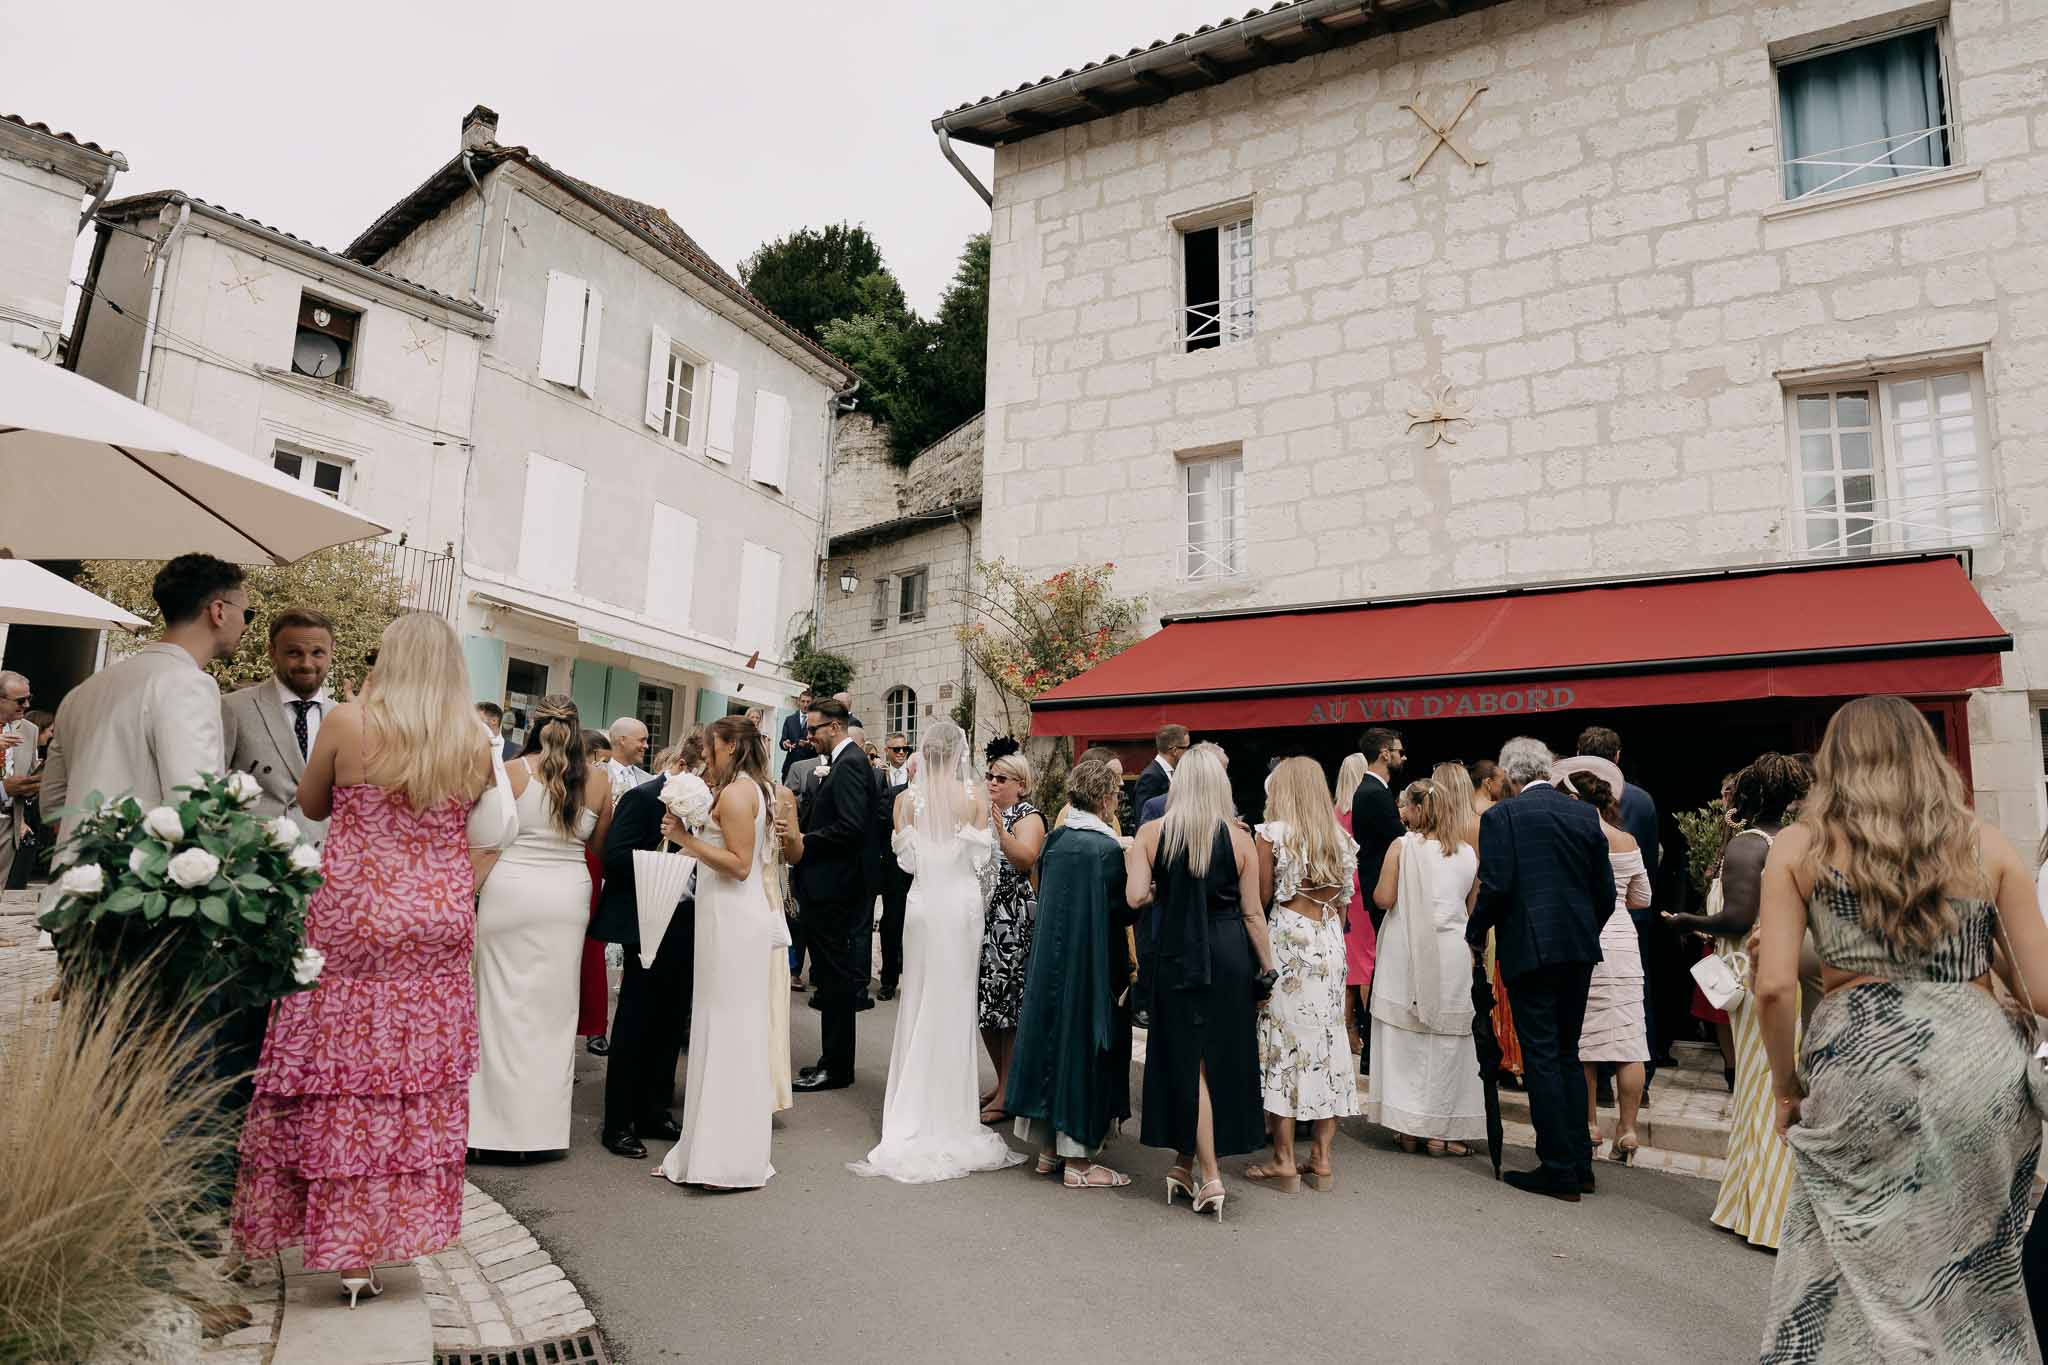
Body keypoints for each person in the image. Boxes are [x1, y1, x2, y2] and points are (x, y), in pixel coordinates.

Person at [1756, 697, 2048, 1361]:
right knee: (1975, 1268)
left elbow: (1774, 985)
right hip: (1980, 1067)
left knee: (1846, 1263)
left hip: (1859, 1063)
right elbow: (2047, 984)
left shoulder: (1800, 847)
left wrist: (1785, 1085)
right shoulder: (1987, 843)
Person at [232, 612, 508, 1307]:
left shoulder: (347, 722)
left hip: (355, 911)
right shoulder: (474, 738)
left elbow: (311, 801)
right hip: (439, 917)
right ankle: (383, 1236)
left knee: (343, 1076)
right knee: (408, 1082)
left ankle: (346, 1250)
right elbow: (485, 825)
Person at [846, 723, 1020, 1183]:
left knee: (920, 999)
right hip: (960, 907)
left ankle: (910, 1108)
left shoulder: (907, 800)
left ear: (924, 754)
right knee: (954, 1005)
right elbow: (983, 861)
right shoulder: (975, 799)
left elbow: (905, 861)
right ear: (959, 754)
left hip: (923, 905)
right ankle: (950, 1113)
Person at [1666, 754, 1812, 1249]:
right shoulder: (1794, 841)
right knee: (1769, 1085)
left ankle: (1770, 1218)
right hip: (1788, 969)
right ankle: (1750, 1205)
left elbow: (1737, 917)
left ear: (1744, 799)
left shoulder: (1751, 846)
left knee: (1760, 1088)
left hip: (1753, 973)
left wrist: (1688, 921)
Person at [1127, 743, 1278, 1221]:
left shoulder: (1152, 833)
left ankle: (1206, 1173)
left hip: (1177, 953)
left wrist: (1157, 891)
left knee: (1185, 1059)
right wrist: (1268, 969)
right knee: (1214, 1058)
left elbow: (1134, 897)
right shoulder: (1239, 840)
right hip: (1230, 953)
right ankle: (1184, 1164)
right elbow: (1254, 914)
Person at [1466, 736, 1614, 1201]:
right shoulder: (1584, 814)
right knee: (1567, 1053)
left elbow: (1495, 884)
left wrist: (1475, 934)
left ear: (1510, 776)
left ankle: (1558, 1167)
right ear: (1549, 771)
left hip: (1530, 948)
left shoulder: (1501, 816)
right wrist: (1585, 928)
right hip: (1578, 947)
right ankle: (1579, 1163)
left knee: (1543, 1056)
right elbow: (1604, 892)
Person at [468, 695, 613, 1158]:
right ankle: (541, 1133)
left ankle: (487, 1130)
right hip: (566, 899)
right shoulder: (599, 781)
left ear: (533, 725)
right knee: (553, 1012)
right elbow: (601, 849)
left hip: (510, 892)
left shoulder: (509, 772)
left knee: (496, 1007)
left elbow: (482, 836)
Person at [655, 716, 783, 1189]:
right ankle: (716, 1148)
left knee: (726, 1028)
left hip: (732, 917)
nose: (707, 755)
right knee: (726, 1027)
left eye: (712, 747)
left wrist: (684, 839)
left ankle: (723, 1157)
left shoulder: (735, 794)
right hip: (726, 917)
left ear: (730, 746)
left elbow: (739, 865)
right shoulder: (758, 789)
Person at [41, 555, 246, 847]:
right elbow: (195, 807)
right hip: (142, 880)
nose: (246, 626)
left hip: (72, 879)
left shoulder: (83, 691)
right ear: (219, 612)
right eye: (247, 615)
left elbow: (53, 806)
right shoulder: (189, 683)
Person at [1008, 756, 1139, 1187]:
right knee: (1083, 1046)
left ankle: (1049, 1150)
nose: (1118, 799)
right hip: (1091, 963)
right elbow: (1120, 909)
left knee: (1052, 1039)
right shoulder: (1104, 849)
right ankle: (1080, 1164)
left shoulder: (1058, 839)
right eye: (1116, 793)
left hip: (1052, 962)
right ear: (1103, 798)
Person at [1251, 756, 1361, 1189]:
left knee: (1285, 1045)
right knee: (1328, 1042)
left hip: (1287, 941)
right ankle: (1322, 1157)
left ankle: (1282, 1158)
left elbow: (1259, 900)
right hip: (1329, 942)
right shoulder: (1340, 839)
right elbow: (1346, 905)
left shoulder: (1272, 835)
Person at [1368, 776, 1485, 1156]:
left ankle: (1408, 1129)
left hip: (1407, 947)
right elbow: (1471, 909)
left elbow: (1384, 898)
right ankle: (1441, 1132)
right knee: (1448, 1042)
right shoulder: (1468, 854)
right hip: (1451, 950)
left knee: (1407, 1039)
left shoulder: (1402, 848)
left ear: (1418, 810)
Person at [589, 744, 696, 1157]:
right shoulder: (642, 798)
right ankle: (618, 1121)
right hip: (645, 919)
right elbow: (615, 858)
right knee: (635, 1022)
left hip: (685, 919)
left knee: (671, 1021)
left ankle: (654, 1110)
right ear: (683, 765)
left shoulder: (707, 805)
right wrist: (665, 864)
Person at [1554, 758, 1651, 1164]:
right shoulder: (1626, 840)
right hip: (1623, 943)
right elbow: (1642, 898)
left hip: (1585, 938)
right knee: (1630, 1042)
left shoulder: (1574, 835)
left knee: (1585, 1042)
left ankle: (1590, 1124)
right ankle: (1627, 1131)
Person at [786, 698, 875, 1091]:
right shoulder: (844, 762)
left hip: (836, 888)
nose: (808, 737)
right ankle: (831, 1060)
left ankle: (837, 1067)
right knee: (831, 979)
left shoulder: (852, 764)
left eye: (813, 729)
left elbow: (852, 827)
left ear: (834, 728)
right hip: (830, 884)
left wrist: (806, 840)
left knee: (836, 982)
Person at [222, 608, 336, 844]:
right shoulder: (232, 708)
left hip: (322, 863)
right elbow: (210, 788)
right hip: (252, 863)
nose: (306, 664)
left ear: (331, 653)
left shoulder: (343, 718)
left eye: (317, 653)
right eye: (294, 653)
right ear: (272, 652)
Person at [977, 750, 1045, 1123]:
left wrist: (1001, 832)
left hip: (1012, 919)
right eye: (990, 776)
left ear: (1021, 785)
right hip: (984, 916)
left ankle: (1009, 1090)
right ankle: (1002, 1081)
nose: (992, 783)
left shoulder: (1027, 815)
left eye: (1001, 779)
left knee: (1007, 1006)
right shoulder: (984, 812)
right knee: (985, 1003)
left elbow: (1026, 858)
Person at [1332, 754, 1377, 1059]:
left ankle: (1347, 1026)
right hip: (1364, 890)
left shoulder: (1334, 813)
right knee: (1369, 964)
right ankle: (1370, 1030)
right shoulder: (1367, 808)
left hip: (1345, 891)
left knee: (1351, 964)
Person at [577, 730, 615, 1059]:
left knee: (592, 947)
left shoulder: (602, 781)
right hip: (583, 862)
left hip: (589, 865)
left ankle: (595, 1025)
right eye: (601, 757)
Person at [1350, 727, 1407, 934]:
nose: (1404, 757)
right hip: (1384, 889)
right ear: (1385, 753)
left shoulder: (1373, 789)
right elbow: (1400, 839)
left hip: (1381, 886)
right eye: (1399, 752)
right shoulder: (1374, 792)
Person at [876, 753, 913, 1002]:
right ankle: (889, 979)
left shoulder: (940, 800)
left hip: (927, 874)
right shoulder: (894, 794)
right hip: (894, 872)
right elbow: (881, 827)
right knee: (892, 924)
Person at [0, 670, 37, 886]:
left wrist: (34, 784)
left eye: (29, 698)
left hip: (8, 828)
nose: (26, 706)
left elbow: (29, 773)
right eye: (20, 700)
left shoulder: (30, 731)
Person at [1133, 724, 1187, 817]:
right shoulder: (1150, 777)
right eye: (1186, 747)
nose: (1188, 752)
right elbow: (1143, 817)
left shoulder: (1175, 773)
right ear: (1174, 751)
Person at [605, 717, 651, 805]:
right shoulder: (597, 774)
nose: (646, 746)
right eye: (642, 740)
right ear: (622, 740)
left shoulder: (648, 780)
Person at [780, 689, 814, 779]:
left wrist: (810, 745)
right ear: (798, 702)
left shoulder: (816, 721)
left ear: (812, 703)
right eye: (803, 701)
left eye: (808, 702)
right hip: (789, 767)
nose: (805, 704)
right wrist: (785, 744)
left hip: (808, 768)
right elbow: (782, 741)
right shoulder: (789, 719)